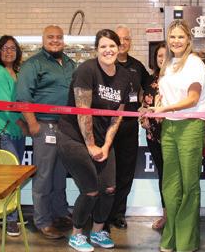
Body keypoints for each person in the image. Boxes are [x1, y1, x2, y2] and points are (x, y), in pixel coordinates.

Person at [58, 29, 130, 252]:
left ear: (118, 48)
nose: (108, 50)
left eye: (112, 46)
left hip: (101, 139)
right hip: (73, 137)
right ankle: (76, 235)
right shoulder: (86, 70)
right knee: (91, 190)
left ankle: (98, 232)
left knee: (109, 188)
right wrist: (90, 145)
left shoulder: (125, 77)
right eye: (103, 46)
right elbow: (83, 112)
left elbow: (117, 115)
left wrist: (106, 146)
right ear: (96, 49)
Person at [144, 19, 205, 252]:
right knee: (170, 184)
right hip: (169, 127)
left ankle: (186, 241)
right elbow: (164, 93)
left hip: (190, 126)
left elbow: (193, 98)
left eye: (181, 36)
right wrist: (159, 102)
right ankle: (170, 237)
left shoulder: (195, 63)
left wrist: (164, 109)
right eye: (172, 37)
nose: (176, 41)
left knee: (189, 185)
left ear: (189, 39)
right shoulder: (168, 64)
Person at [17, 25, 76, 240]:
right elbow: (23, 96)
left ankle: (60, 213)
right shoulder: (33, 64)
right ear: (43, 40)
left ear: (64, 40)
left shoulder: (70, 63)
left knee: (60, 174)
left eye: (59, 37)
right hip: (44, 126)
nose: (55, 40)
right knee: (43, 175)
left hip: (66, 127)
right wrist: (33, 123)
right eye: (50, 37)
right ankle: (42, 220)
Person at [107, 25, 150, 230]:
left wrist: (146, 105)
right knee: (107, 172)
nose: (123, 42)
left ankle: (118, 214)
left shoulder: (137, 66)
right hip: (107, 126)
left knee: (125, 172)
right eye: (119, 39)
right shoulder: (106, 64)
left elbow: (150, 87)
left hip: (129, 127)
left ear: (130, 42)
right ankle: (102, 215)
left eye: (126, 39)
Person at [0, 35, 28, 236]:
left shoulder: (17, 73)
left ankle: (10, 213)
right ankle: (9, 219)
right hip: (5, 131)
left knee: (15, 175)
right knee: (10, 177)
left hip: (16, 132)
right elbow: (6, 107)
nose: (9, 51)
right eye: (4, 48)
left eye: (12, 48)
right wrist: (24, 124)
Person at [139, 41, 167, 231]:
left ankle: (179, 216)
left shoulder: (179, 78)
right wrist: (143, 117)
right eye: (159, 56)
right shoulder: (150, 79)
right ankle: (166, 215)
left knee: (174, 177)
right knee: (163, 175)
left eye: (166, 56)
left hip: (173, 135)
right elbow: (144, 104)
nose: (162, 59)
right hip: (153, 136)